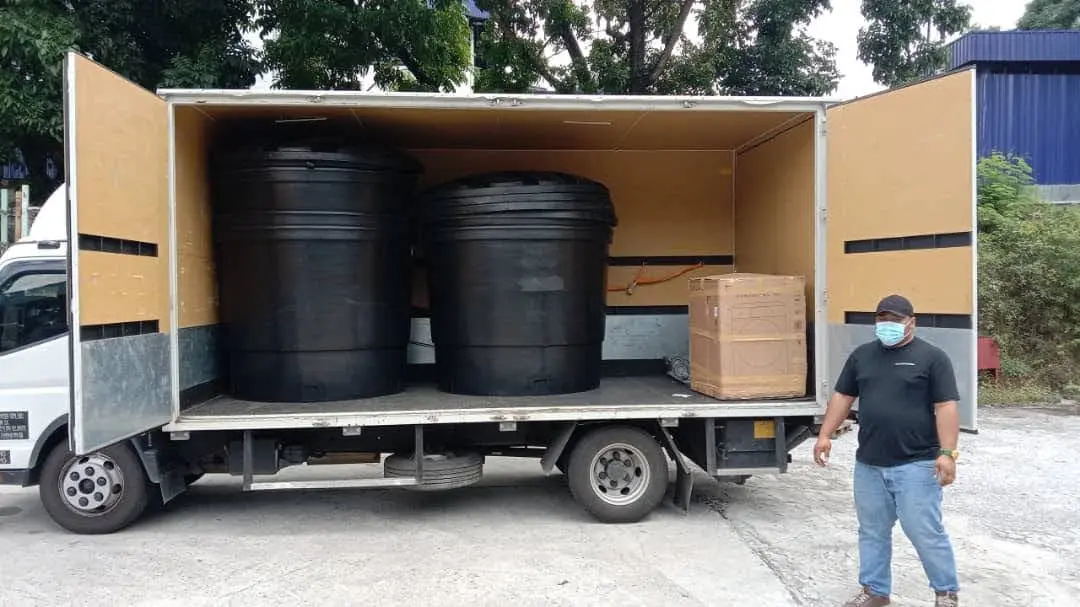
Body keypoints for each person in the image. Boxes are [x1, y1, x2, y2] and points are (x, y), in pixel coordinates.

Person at [813, 294, 962, 607]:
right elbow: (843, 396)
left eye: (894, 319)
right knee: (872, 530)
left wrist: (947, 453)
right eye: (882, 319)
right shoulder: (862, 356)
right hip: (869, 463)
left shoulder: (932, 358)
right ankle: (875, 592)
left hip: (917, 464)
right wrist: (824, 434)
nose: (887, 325)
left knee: (924, 531)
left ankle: (945, 592)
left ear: (911, 322)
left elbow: (946, 406)